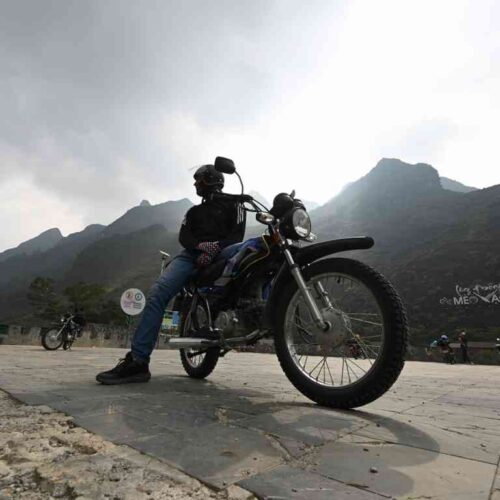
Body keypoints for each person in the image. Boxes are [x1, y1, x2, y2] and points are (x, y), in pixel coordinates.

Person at [96, 164, 246, 385]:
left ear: (212, 179)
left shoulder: (236, 204)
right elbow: (184, 238)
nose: (195, 183)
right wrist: (201, 247)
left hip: (224, 252)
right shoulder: (193, 212)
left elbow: (237, 236)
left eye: (199, 179)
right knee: (157, 293)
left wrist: (214, 249)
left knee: (249, 256)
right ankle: (138, 361)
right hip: (190, 256)